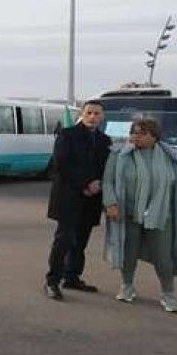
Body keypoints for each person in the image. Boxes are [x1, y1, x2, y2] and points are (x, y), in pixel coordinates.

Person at [102, 118, 177, 313]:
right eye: (133, 132)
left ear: (154, 137)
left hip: (161, 216)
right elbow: (108, 181)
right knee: (128, 254)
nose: (135, 137)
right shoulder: (119, 155)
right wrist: (110, 203)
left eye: (141, 133)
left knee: (164, 257)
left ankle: (168, 294)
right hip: (128, 214)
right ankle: (127, 286)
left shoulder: (171, 156)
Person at [43, 100, 111, 300]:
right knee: (63, 240)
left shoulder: (104, 140)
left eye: (97, 113)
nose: (93, 117)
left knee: (80, 242)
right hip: (69, 197)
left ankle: (72, 277)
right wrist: (85, 184)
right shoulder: (67, 135)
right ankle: (52, 281)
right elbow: (61, 163)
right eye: (89, 112)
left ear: (102, 117)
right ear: (82, 114)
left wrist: (99, 184)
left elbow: (106, 167)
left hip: (92, 199)